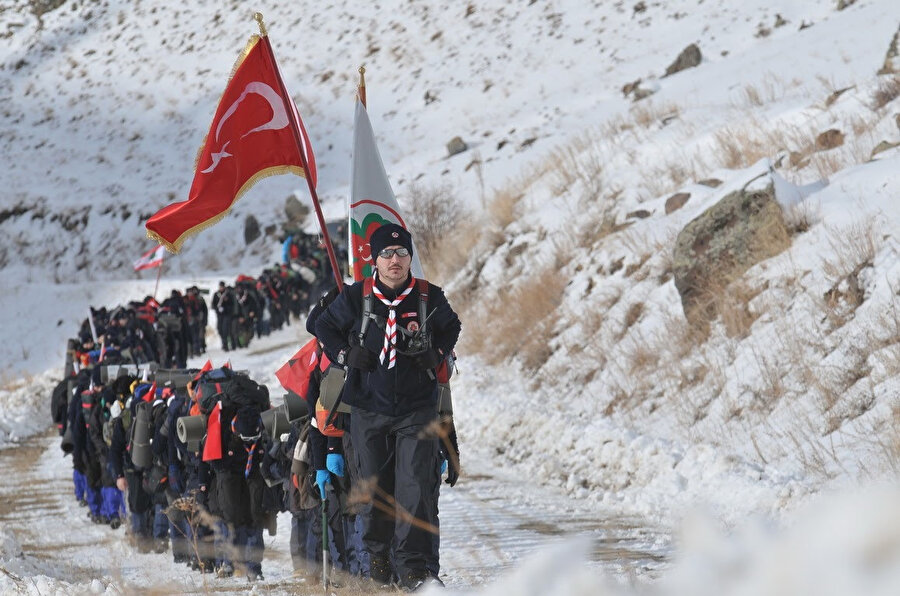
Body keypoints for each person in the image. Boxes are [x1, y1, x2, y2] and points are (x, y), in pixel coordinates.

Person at [315, 223, 461, 590]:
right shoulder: (355, 297)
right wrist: (347, 353)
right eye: (386, 254)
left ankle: (413, 568)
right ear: (374, 260)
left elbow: (452, 326)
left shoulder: (429, 297)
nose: (394, 261)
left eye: (401, 254)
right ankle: (378, 560)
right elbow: (322, 326)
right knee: (374, 489)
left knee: (414, 489)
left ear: (410, 257)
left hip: (416, 410)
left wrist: (437, 352)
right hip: (368, 408)